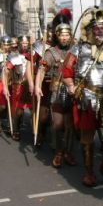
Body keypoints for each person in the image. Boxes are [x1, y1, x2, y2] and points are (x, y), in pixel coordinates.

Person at [61, 7, 103, 187]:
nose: (100, 31)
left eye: (102, 28)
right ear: (89, 30)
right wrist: (71, 86)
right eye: (96, 28)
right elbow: (66, 70)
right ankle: (88, 172)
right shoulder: (78, 48)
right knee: (87, 136)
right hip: (86, 96)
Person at [35, 23, 75, 167]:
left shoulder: (75, 51)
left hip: (73, 91)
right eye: (61, 35)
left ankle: (68, 152)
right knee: (57, 124)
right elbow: (41, 70)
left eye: (66, 35)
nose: (64, 38)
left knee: (70, 125)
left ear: (70, 35)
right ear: (57, 36)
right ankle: (59, 152)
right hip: (57, 92)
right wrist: (37, 86)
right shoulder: (50, 52)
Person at [2, 35, 31, 141]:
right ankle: (16, 129)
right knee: (18, 112)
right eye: (23, 43)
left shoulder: (33, 55)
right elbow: (6, 72)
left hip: (30, 87)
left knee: (36, 111)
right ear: (19, 44)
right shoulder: (14, 57)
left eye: (26, 43)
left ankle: (38, 132)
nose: (24, 45)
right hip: (18, 87)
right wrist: (5, 86)